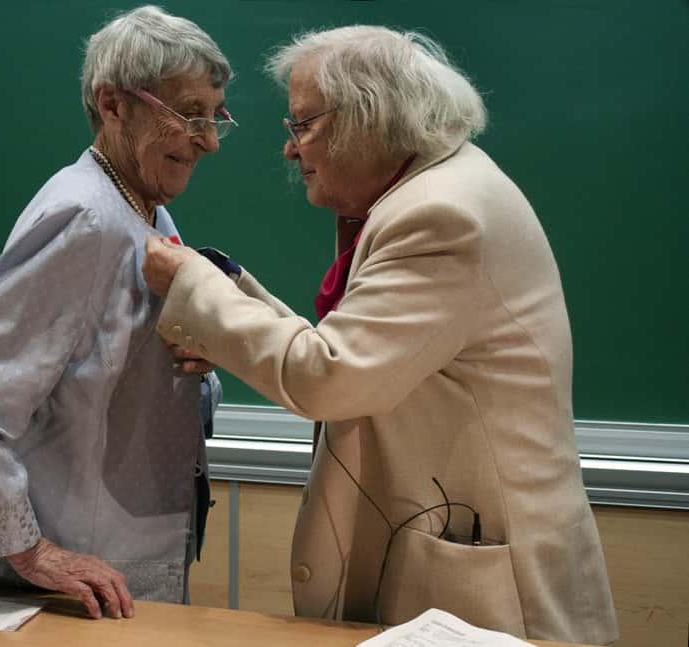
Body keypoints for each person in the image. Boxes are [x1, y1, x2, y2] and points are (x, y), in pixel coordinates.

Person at [142, 25, 617, 644]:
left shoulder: (442, 216)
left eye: (302, 125)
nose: (291, 150)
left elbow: (333, 378)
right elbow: (356, 352)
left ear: (368, 117)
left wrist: (193, 290)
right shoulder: (440, 188)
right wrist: (221, 291)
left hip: (492, 597)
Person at [0, 5, 235, 620]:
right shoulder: (85, 217)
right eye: (188, 114)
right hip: (76, 585)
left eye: (215, 115)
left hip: (128, 561)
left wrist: (201, 364)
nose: (209, 140)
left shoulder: (143, 207)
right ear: (114, 104)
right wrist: (29, 550)